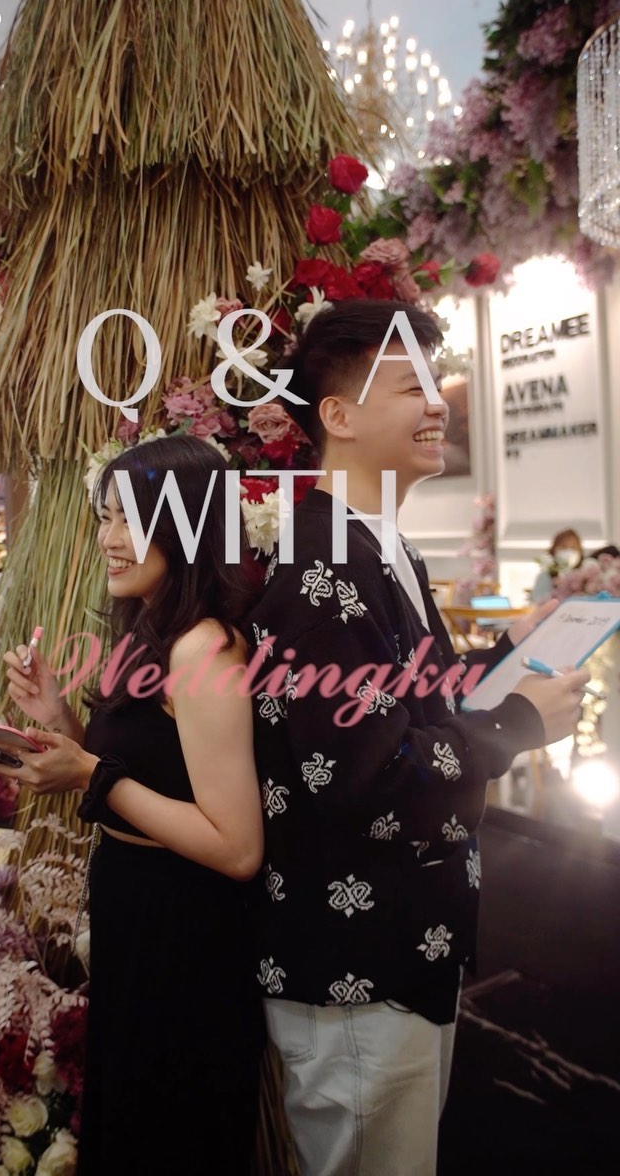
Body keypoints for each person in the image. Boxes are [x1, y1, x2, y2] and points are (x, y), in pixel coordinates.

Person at [246, 298, 588, 1176]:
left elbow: (412, 696)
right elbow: (368, 774)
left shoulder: (379, 547)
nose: (439, 404)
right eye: (411, 388)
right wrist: (516, 724)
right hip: (357, 961)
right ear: (338, 415)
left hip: (403, 946)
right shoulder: (321, 564)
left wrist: (510, 654)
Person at [0, 436, 266, 1175]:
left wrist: (91, 775)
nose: (109, 539)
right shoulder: (150, 628)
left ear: (186, 526)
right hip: (135, 908)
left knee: (169, 1131)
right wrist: (60, 719)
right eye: (105, 517)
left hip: (185, 932)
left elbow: (238, 848)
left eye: (130, 519)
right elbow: (148, 772)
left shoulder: (204, 648)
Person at [531, 528, 584, 602]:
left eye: (573, 548)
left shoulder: (585, 577)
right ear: (554, 550)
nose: (569, 551)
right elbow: (537, 603)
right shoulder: (545, 577)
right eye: (564, 547)